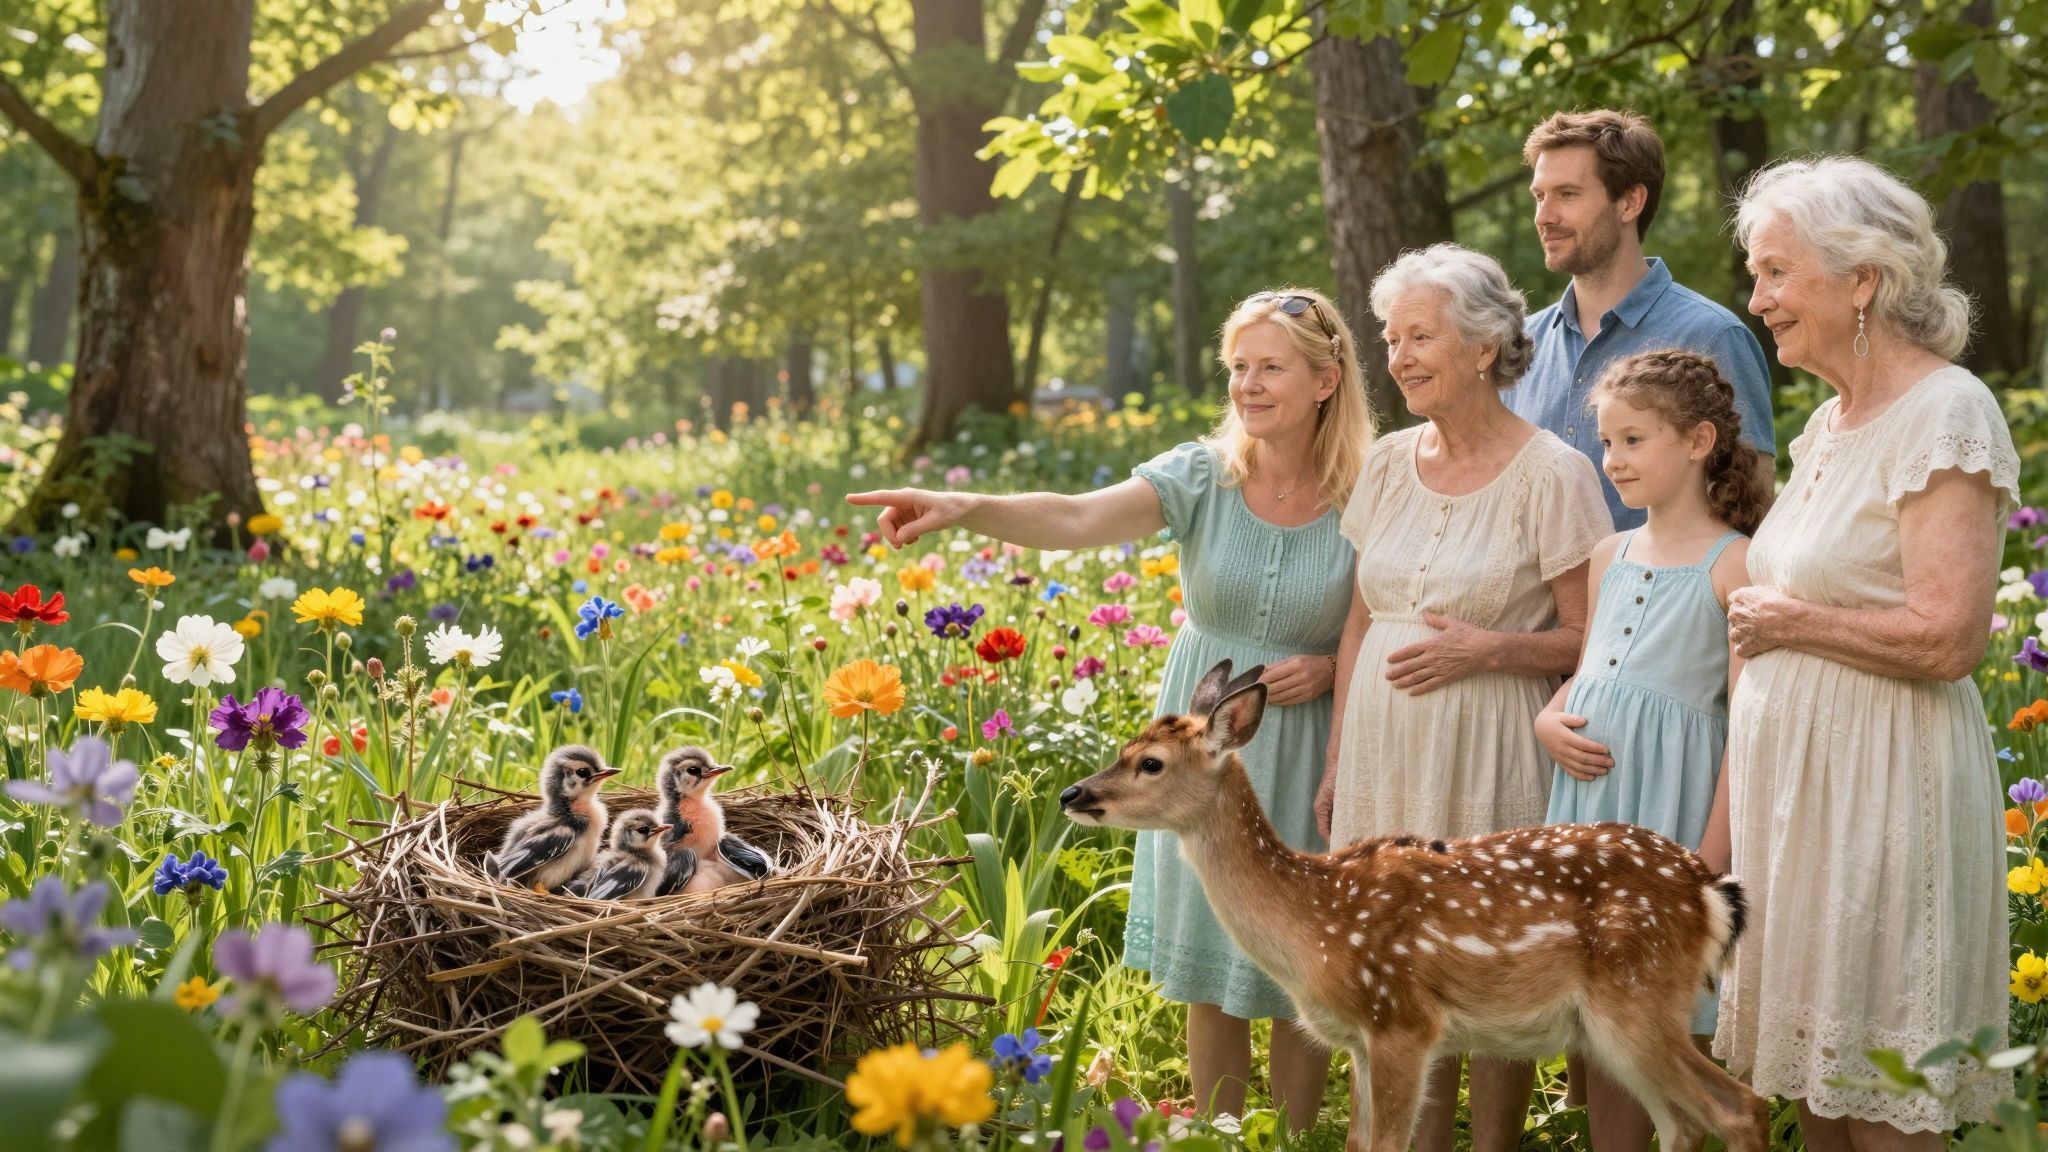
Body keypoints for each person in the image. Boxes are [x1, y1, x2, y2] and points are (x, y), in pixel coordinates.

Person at [849, 288, 1373, 1130]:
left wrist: (1335, 671)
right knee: (1212, 966)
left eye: (1270, 367)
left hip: (1311, 736)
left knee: (1299, 962)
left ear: (1325, 379)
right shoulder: (1203, 476)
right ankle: (1215, 1140)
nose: (1248, 384)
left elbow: (1396, 610)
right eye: (1238, 367)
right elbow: (1077, 517)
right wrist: (966, 508)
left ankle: (1297, 1140)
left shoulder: (1370, 490)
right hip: (1198, 743)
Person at [1717, 155, 2018, 1148]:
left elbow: (1948, 636)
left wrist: (1791, 625)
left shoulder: (1944, 411)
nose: (1755, 299)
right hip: (1800, 802)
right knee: (1816, 1090)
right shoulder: (1825, 429)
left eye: (1774, 273)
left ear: (1860, 279)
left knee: (1883, 1098)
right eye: (1753, 274)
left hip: (1885, 790)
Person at [1316, 244, 1611, 1152]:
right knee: (1386, 966)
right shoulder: (1387, 463)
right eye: (1391, 337)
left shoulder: (1552, 472)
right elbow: (1361, 623)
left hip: (1488, 753)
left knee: (1483, 963)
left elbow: (1594, 638)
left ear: (1484, 347)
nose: (1398, 356)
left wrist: (1490, 650)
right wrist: (1334, 763)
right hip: (1379, 755)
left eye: (1420, 336)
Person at [1536, 348, 1772, 1152]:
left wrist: (1706, 856)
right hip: (1590, 819)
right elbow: (1587, 676)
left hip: (1673, 821)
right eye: (1607, 443)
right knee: (1598, 1013)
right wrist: (1548, 720)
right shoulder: (1610, 554)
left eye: (1634, 441)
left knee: (1663, 1022)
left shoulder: (1734, 564)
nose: (1613, 460)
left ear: (1700, 439)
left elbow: (1748, 722)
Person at [1516, 108, 1776, 530]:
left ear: (1630, 201)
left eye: (1567, 194)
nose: (1544, 216)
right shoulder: (1522, 345)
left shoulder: (1712, 335)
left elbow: (1752, 513)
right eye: (1539, 196)